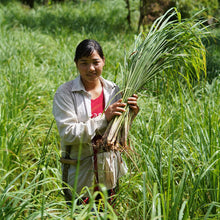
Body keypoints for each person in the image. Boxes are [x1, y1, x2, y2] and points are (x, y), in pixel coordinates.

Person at [53, 39, 139, 205]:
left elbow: (118, 134)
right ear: (76, 64)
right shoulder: (66, 93)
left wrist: (131, 115)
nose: (91, 68)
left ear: (103, 61)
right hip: (81, 176)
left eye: (95, 62)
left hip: (109, 174)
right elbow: (68, 134)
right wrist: (103, 118)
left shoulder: (114, 90)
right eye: (84, 63)